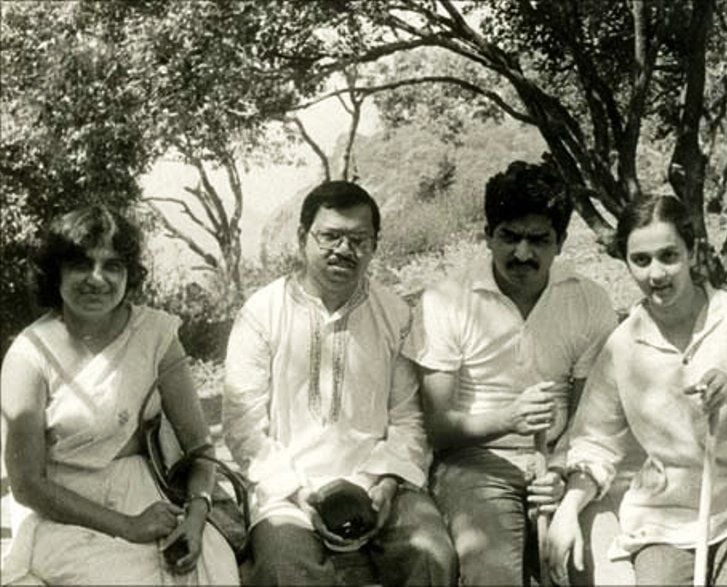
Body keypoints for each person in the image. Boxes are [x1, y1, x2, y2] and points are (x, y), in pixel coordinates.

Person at [546, 195, 727, 586]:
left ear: (693, 251)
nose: (656, 273)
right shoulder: (622, 346)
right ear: (626, 262)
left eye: (668, 256)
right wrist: (567, 510)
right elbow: (594, 445)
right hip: (667, 518)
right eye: (641, 260)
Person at [223, 180, 457, 586]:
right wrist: (296, 492)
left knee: (432, 555)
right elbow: (243, 425)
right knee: (284, 570)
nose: (344, 249)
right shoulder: (262, 313)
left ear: (374, 245)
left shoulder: (395, 315)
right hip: (288, 491)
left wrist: (385, 484)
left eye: (358, 240)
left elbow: (409, 418)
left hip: (382, 484)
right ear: (303, 237)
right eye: (330, 236)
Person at [405, 160, 619, 585]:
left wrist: (561, 473)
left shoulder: (589, 300)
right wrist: (508, 418)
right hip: (472, 462)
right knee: (494, 575)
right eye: (510, 237)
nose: (522, 254)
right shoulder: (447, 299)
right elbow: (438, 428)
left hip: (562, 458)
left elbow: (590, 422)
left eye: (539, 240)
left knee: (603, 566)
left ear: (560, 242)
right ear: (488, 235)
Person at [0, 205, 239, 585]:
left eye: (112, 266)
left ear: (129, 274)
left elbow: (200, 447)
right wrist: (127, 526)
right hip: (61, 508)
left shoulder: (155, 334)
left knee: (214, 567)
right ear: (56, 272)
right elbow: (27, 484)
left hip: (146, 492)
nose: (97, 279)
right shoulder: (29, 356)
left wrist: (195, 519)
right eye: (81, 265)